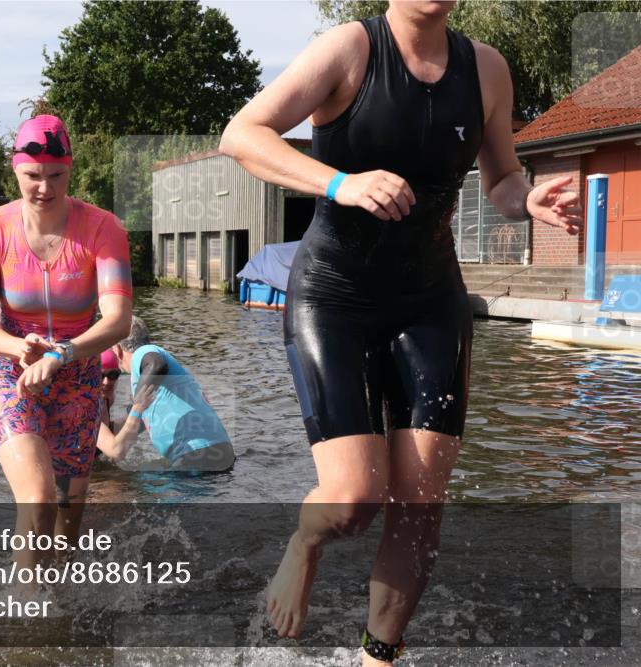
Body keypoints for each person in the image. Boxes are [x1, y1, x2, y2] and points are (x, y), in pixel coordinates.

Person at [217, 1, 583, 660]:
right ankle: (305, 540)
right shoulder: (349, 51)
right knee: (354, 497)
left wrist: (525, 200)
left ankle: (378, 652)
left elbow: (500, 178)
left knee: (420, 500)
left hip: (430, 299)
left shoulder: (488, 70)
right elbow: (243, 134)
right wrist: (340, 183)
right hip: (335, 295)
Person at [0, 114, 132, 567]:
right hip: (10, 364)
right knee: (36, 499)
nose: (44, 187)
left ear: (70, 169)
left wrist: (62, 353)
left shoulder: (102, 229)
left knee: (65, 524)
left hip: (78, 370)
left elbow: (118, 319)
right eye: (32, 176)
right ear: (15, 170)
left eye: (55, 176)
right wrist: (21, 348)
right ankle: (22, 609)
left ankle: (57, 612)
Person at [97, 317, 235, 472]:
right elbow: (133, 423)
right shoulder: (150, 381)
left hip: (197, 455)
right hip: (218, 453)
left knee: (132, 488)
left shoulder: (142, 353)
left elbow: (157, 364)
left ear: (117, 349)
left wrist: (138, 399)